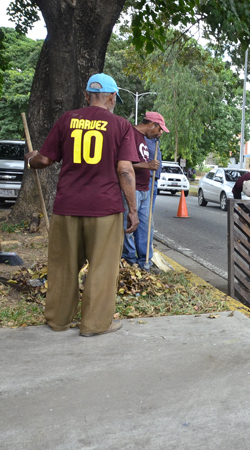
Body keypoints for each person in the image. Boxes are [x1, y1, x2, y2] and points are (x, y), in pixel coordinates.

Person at [24, 73, 139, 337]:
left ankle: (58, 320)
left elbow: (44, 160)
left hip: (67, 207)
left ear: (87, 96)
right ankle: (95, 325)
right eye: (114, 99)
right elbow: (125, 170)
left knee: (63, 265)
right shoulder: (121, 125)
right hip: (105, 209)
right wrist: (133, 210)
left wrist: (31, 159)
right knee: (102, 267)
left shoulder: (67, 120)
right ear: (112, 97)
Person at [122, 111, 167, 271]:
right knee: (128, 225)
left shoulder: (144, 139)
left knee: (146, 226)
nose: (160, 133)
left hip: (144, 188)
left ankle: (144, 263)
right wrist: (147, 165)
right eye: (159, 129)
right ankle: (128, 260)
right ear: (151, 124)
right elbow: (123, 163)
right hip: (131, 188)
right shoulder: (129, 134)